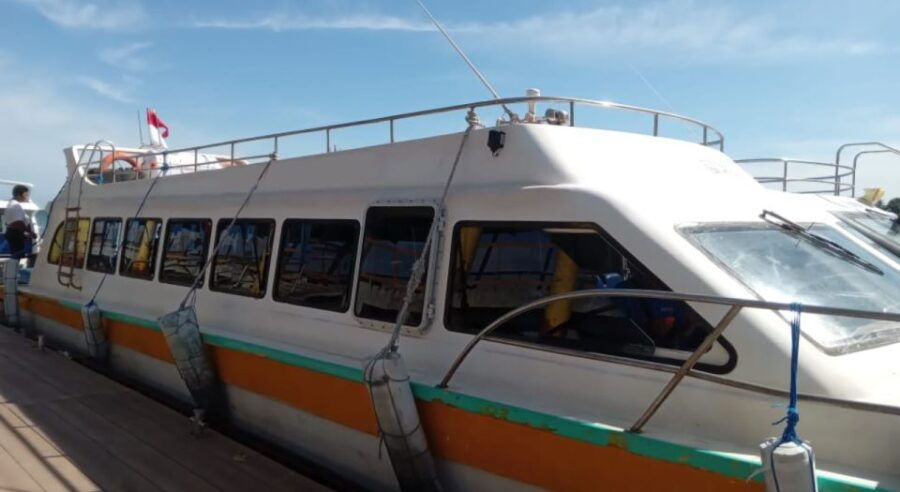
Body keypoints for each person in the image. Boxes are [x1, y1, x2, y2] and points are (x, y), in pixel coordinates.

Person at [3, 185, 35, 258]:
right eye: (25, 194)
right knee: (18, 256)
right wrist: (30, 233)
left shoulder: (11, 204)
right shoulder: (15, 205)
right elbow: (18, 223)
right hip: (15, 234)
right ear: (19, 195)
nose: (27, 196)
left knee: (17, 255)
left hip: (14, 233)